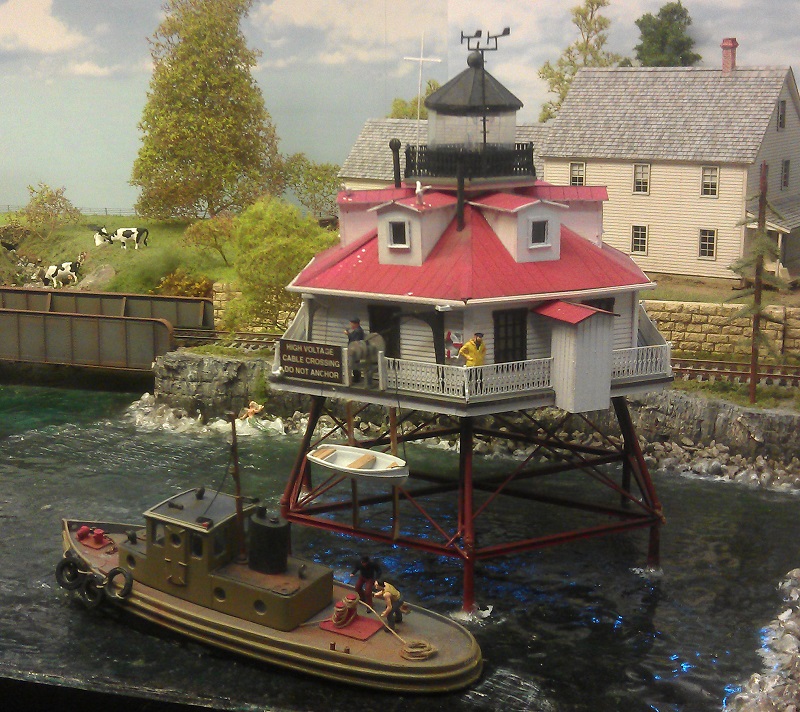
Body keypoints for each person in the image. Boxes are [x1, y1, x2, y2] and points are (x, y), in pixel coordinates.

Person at [346, 317, 365, 383]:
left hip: (356, 350)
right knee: (355, 363)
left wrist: (348, 334)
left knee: (355, 363)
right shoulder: (357, 330)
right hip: (355, 349)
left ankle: (356, 378)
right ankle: (356, 377)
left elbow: (354, 340)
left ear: (356, 324)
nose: (351, 325)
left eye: (352, 323)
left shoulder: (358, 331)